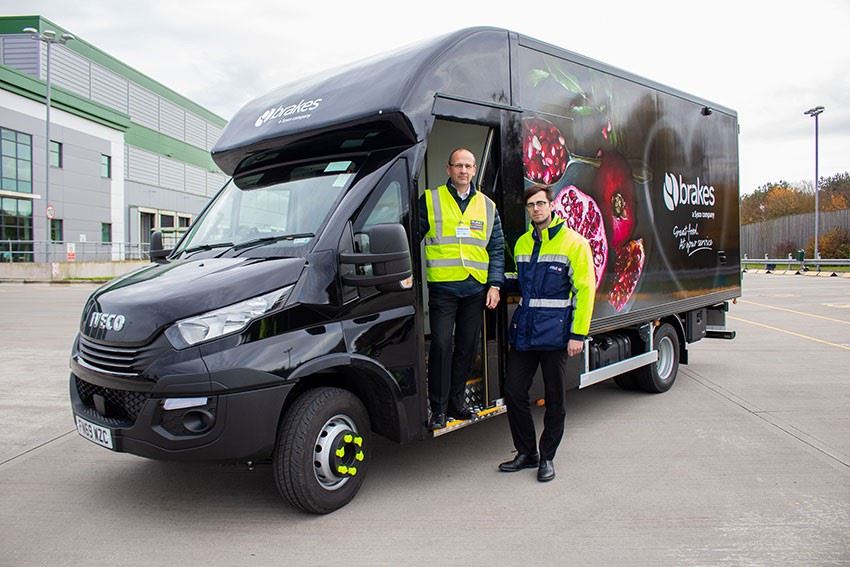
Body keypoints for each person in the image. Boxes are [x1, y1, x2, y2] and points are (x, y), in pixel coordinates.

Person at [498, 184, 595, 481]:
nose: (536, 209)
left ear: (551, 206)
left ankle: (548, 457)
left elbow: (586, 290)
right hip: (526, 331)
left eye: (541, 204)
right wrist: (492, 282)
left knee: (555, 399)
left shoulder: (574, 243)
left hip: (556, 334)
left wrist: (578, 334)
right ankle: (527, 452)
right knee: (513, 391)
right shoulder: (523, 244)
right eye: (531, 206)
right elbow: (518, 280)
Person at [419, 148, 505, 430]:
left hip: (475, 290)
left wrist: (494, 284)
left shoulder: (488, 206)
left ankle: (457, 403)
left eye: (468, 166)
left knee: (467, 348)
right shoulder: (431, 200)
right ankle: (439, 409)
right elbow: (409, 238)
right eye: (458, 166)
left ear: (474, 168)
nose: (464, 171)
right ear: (449, 169)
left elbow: (496, 249)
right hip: (443, 288)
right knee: (442, 346)